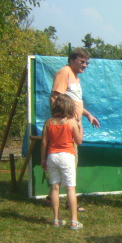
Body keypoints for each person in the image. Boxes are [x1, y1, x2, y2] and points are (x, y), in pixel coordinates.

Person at [50, 47, 100, 212]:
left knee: (70, 164)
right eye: (82, 61)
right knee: (68, 165)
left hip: (74, 126)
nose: (85, 65)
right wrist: (63, 121)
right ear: (72, 60)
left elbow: (75, 102)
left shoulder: (76, 77)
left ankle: (60, 197)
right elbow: (55, 98)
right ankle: (67, 200)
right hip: (66, 129)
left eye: (87, 63)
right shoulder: (64, 73)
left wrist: (88, 114)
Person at [41, 94, 84, 230]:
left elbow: (44, 142)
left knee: (55, 187)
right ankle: (74, 221)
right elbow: (79, 141)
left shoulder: (48, 122)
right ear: (70, 107)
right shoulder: (71, 122)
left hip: (52, 156)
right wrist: (80, 126)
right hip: (67, 156)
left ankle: (56, 219)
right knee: (70, 188)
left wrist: (43, 159)